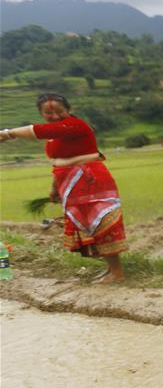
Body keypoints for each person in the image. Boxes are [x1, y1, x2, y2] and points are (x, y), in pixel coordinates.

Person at [0, 93, 127, 282]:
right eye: (48, 113)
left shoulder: (75, 125)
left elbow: (39, 131)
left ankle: (117, 272)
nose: (55, 116)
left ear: (69, 110)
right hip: (72, 184)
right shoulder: (54, 138)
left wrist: (9, 133)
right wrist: (54, 188)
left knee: (99, 223)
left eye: (60, 111)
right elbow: (58, 164)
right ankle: (110, 270)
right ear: (41, 113)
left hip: (90, 180)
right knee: (88, 225)